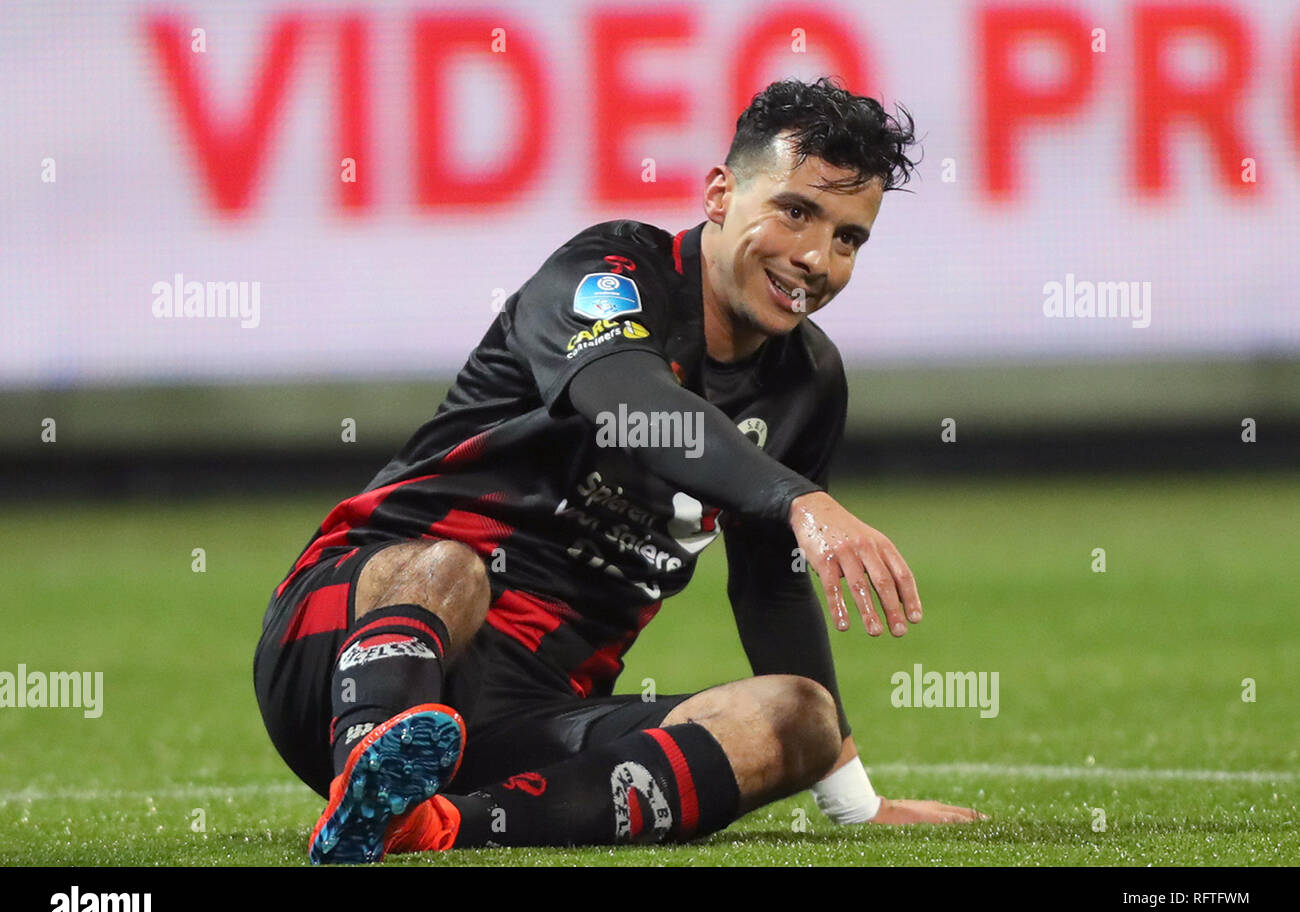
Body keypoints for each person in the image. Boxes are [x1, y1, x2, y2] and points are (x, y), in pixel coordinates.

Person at [254, 76, 984, 864]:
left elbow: (769, 582)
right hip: (347, 645)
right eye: (796, 212)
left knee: (797, 718)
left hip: (529, 711)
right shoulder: (608, 273)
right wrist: (800, 499)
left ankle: (431, 826)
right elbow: (625, 400)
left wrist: (854, 804)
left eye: (848, 239)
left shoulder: (807, 382)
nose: (815, 258)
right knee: (449, 567)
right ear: (719, 193)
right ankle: (368, 769)